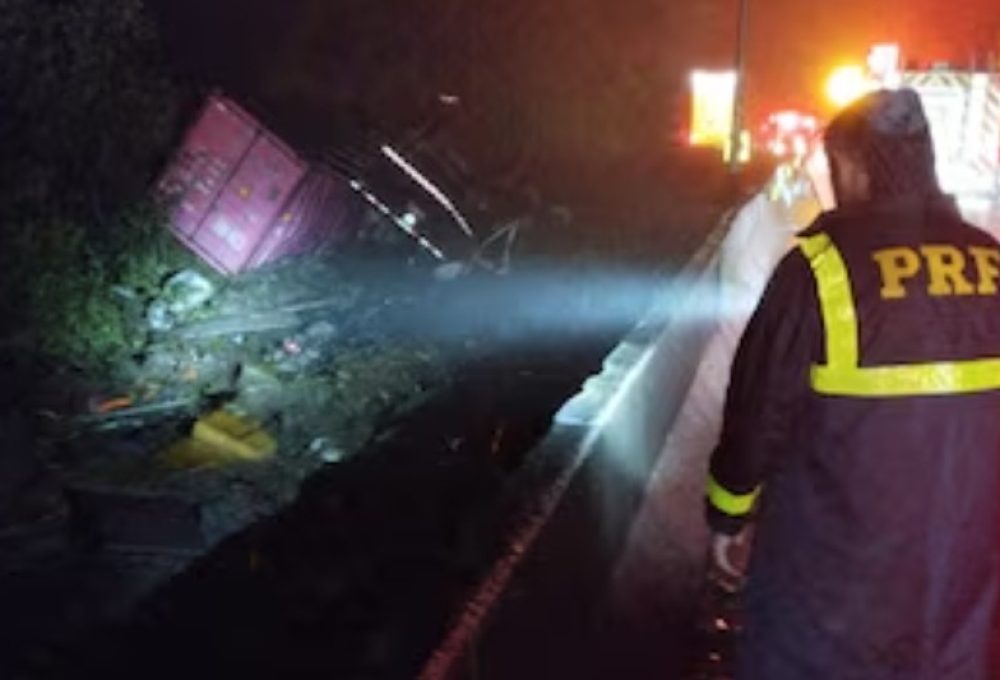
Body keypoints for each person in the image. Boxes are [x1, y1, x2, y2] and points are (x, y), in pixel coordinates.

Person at [705, 88, 1000, 678]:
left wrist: (727, 519)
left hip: (827, 601)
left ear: (855, 167)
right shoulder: (991, 261)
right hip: (959, 588)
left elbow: (757, 414)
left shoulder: (818, 268)